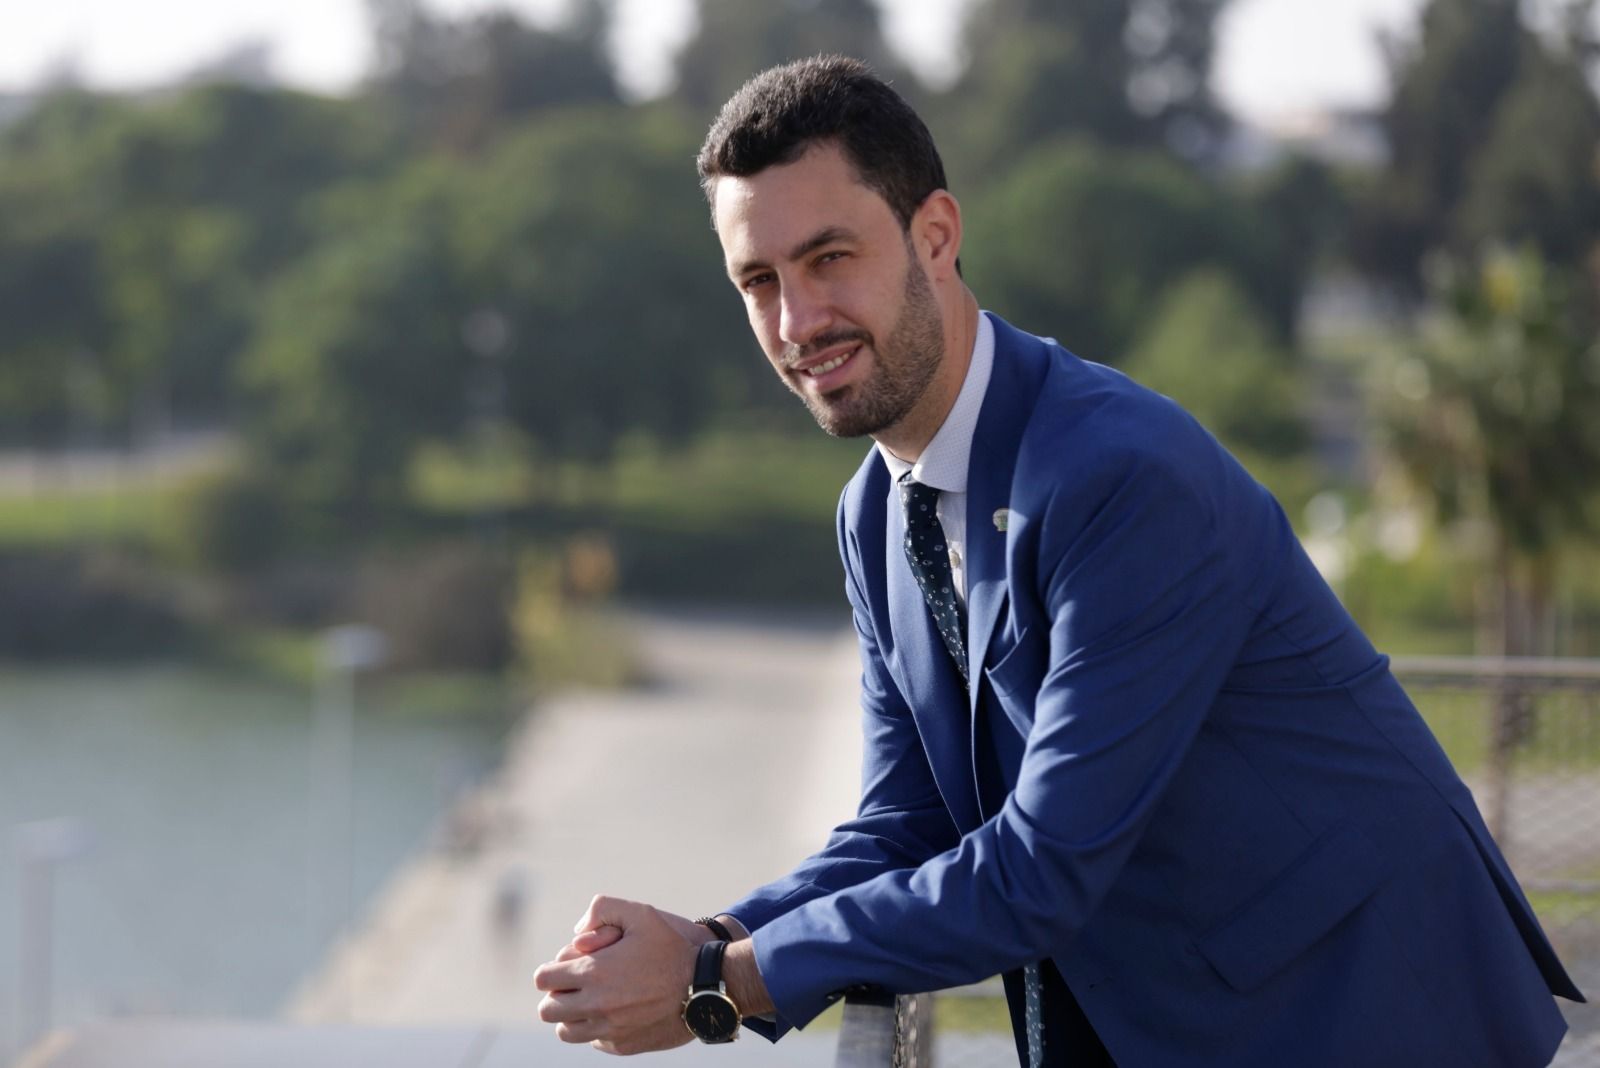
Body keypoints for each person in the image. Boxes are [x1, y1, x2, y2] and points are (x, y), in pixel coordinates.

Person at [532, 55, 1584, 1066]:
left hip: (1358, 1012)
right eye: (758, 279)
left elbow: (1040, 867)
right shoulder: (872, 516)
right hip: (1162, 1015)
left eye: (829, 257)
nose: (797, 320)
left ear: (934, 234)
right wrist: (708, 938)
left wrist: (723, 982)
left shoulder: (1122, 478)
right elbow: (912, 822)